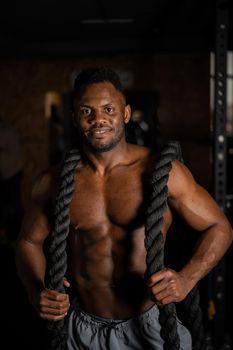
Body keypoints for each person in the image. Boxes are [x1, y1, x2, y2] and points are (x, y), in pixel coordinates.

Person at [14, 67, 233, 350]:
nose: (98, 119)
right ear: (74, 118)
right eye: (86, 111)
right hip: (83, 329)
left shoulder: (164, 173)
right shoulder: (52, 182)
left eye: (108, 109)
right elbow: (27, 242)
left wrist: (186, 279)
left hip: (149, 325)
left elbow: (220, 227)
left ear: (126, 114)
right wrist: (35, 293)